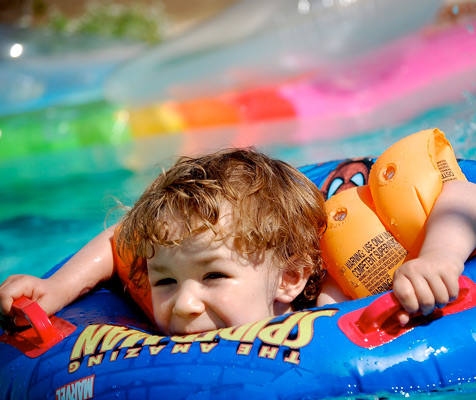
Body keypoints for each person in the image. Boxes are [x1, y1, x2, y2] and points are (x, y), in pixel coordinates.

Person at [0, 147, 475, 335]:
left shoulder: (337, 293)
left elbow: (462, 194)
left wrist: (438, 258)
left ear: (289, 277)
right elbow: (119, 239)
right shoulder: (172, 263)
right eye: (165, 281)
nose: (183, 304)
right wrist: (58, 289)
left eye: (214, 275)